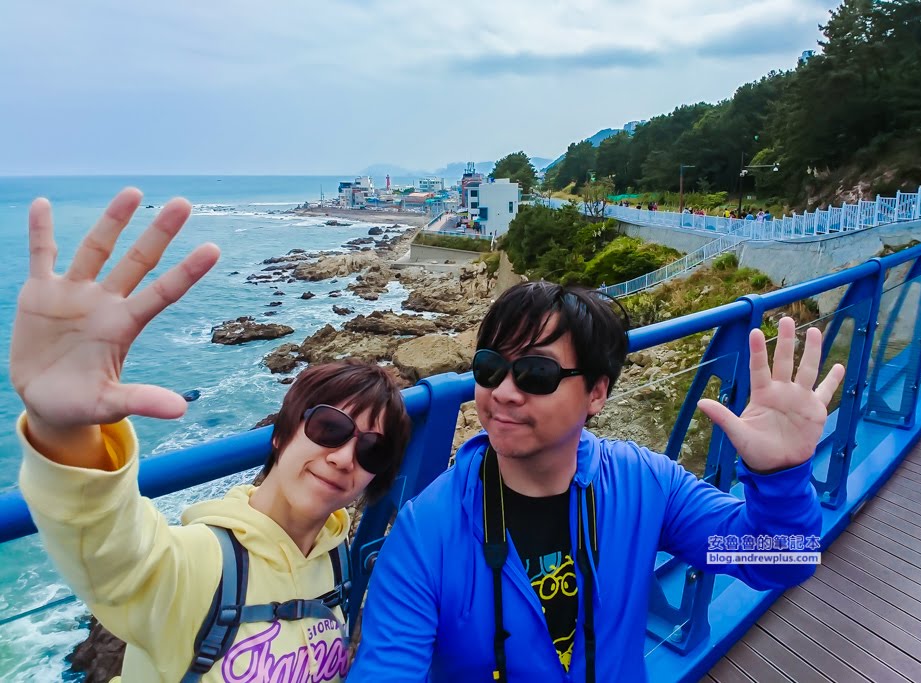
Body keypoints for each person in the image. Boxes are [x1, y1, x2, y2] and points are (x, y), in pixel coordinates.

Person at [349, 281, 843, 682]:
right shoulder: (426, 529)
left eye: (535, 374)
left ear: (596, 394)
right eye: (490, 367)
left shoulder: (643, 483)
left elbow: (781, 561)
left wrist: (779, 476)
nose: (503, 392)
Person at [12, 188, 411, 682]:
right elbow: (112, 550)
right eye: (330, 427)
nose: (344, 457)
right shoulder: (201, 565)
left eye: (373, 449)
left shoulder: (337, 561)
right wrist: (63, 431)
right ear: (282, 435)